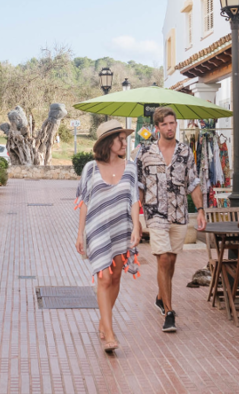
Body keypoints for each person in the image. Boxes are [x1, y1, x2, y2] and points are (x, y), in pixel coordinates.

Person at [136, 106, 205, 333]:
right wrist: (136, 219)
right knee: (163, 259)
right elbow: (137, 186)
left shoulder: (185, 152)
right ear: (157, 128)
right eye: (164, 124)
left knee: (171, 261)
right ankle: (169, 311)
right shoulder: (144, 152)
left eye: (172, 123)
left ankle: (160, 297)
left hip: (179, 214)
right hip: (155, 214)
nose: (169, 127)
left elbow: (193, 182)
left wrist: (201, 211)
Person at [75, 120, 141, 353]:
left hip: (121, 228)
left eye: (125, 139)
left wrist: (136, 226)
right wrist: (80, 233)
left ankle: (104, 321)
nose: (124, 143)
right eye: (120, 139)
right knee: (103, 278)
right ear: (107, 143)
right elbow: (84, 201)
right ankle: (110, 332)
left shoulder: (131, 167)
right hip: (97, 229)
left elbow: (134, 198)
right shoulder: (90, 168)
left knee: (115, 279)